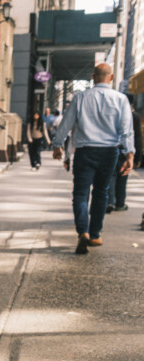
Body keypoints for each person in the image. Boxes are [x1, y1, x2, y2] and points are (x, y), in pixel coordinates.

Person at [52, 63, 135, 254]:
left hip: (85, 151)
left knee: (80, 194)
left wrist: (57, 145)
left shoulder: (80, 98)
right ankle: (95, 234)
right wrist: (129, 154)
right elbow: (126, 131)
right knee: (101, 192)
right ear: (111, 78)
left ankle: (83, 232)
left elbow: (66, 123)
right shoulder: (121, 99)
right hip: (109, 152)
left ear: (93, 77)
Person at [106, 92, 142, 213]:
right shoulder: (135, 116)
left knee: (111, 175)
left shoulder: (114, 114)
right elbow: (137, 137)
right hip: (126, 151)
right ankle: (120, 203)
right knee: (123, 176)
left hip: (112, 149)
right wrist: (137, 157)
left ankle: (110, 201)